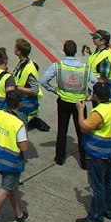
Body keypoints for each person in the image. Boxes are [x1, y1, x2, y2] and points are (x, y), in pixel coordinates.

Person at [75, 79, 111, 222]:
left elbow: (84, 127)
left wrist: (80, 110)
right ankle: (108, 210)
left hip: (97, 154)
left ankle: (95, 218)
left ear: (96, 95)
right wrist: (94, 100)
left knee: (97, 186)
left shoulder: (98, 113)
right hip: (110, 152)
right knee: (109, 180)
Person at [0, 102, 35, 222]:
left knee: (13, 186)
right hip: (12, 162)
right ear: (19, 104)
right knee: (6, 188)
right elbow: (24, 147)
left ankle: (19, 214)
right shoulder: (18, 124)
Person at [42, 38, 90, 166]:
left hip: (63, 102)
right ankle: (84, 160)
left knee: (62, 130)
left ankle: (59, 158)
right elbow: (95, 81)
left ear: (64, 51)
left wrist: (53, 90)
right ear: (75, 52)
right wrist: (88, 94)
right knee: (81, 131)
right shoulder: (84, 68)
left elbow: (43, 80)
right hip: (79, 103)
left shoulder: (57, 66)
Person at [11, 39, 44, 133]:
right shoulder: (22, 63)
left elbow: (34, 90)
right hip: (19, 99)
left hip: (23, 103)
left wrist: (17, 88)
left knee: (20, 129)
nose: (13, 48)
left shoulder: (29, 69)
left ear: (19, 51)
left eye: (15, 47)